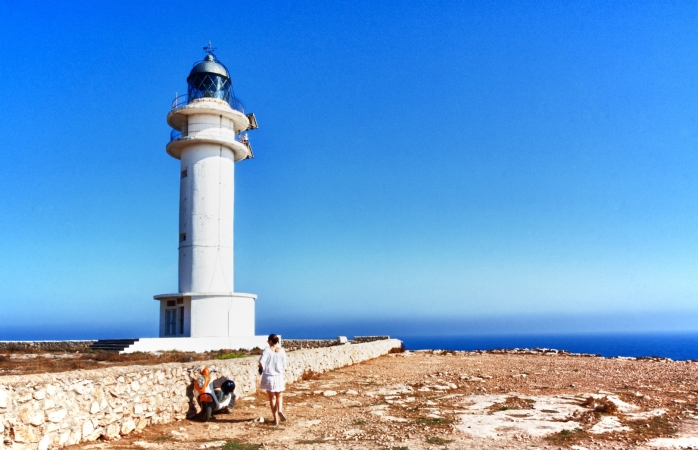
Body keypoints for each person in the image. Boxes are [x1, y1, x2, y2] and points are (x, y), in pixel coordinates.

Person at [258, 334, 287, 425]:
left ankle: (276, 420)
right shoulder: (282, 351)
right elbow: (284, 364)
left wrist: (260, 369)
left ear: (270, 341)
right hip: (279, 376)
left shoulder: (267, 350)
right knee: (279, 395)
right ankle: (280, 410)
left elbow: (261, 362)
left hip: (269, 376)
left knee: (272, 397)